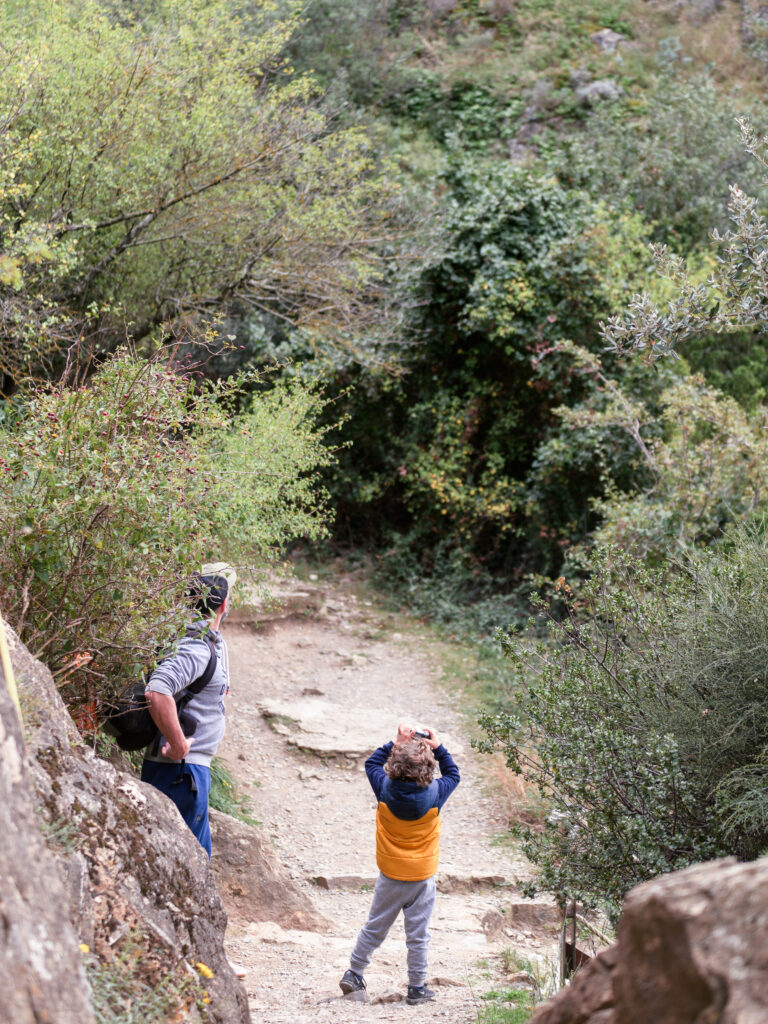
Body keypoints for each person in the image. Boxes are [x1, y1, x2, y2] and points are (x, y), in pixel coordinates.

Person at [339, 723, 461, 1005]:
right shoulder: (436, 793)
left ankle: (354, 973)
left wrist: (396, 742)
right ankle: (417, 988)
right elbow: (454, 773)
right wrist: (438, 747)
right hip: (421, 877)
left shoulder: (384, 788)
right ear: (428, 770)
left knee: (375, 926)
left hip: (391, 874)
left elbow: (371, 763)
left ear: (393, 766)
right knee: (418, 935)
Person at [140, 563, 236, 858]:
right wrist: (180, 744)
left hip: (186, 771)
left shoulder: (203, 640)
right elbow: (157, 691)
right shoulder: (195, 646)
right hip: (181, 772)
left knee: (191, 864)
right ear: (222, 606)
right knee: (188, 864)